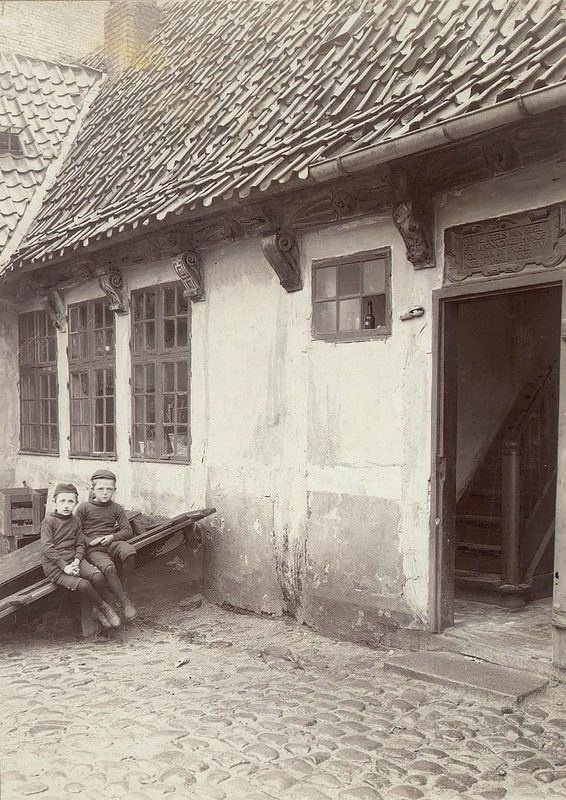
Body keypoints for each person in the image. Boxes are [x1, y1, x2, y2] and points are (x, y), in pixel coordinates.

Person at [40, 482, 122, 630]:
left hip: (74, 560)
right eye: (62, 501)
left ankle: (96, 610)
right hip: (55, 567)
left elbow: (80, 544)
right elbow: (47, 548)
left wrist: (77, 561)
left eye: (70, 501)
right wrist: (65, 567)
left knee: (98, 577)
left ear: (76, 503)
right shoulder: (49, 522)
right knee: (84, 585)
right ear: (54, 503)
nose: (66, 505)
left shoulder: (76, 521)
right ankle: (104, 607)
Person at [76, 469, 138, 622]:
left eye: (109, 489)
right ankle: (126, 603)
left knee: (129, 552)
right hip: (94, 548)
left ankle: (121, 588)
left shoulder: (116, 508)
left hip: (111, 543)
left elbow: (127, 530)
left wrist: (112, 537)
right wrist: (90, 541)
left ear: (114, 490)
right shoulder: (84, 508)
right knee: (109, 568)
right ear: (93, 490)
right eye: (100, 489)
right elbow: (75, 532)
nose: (105, 493)